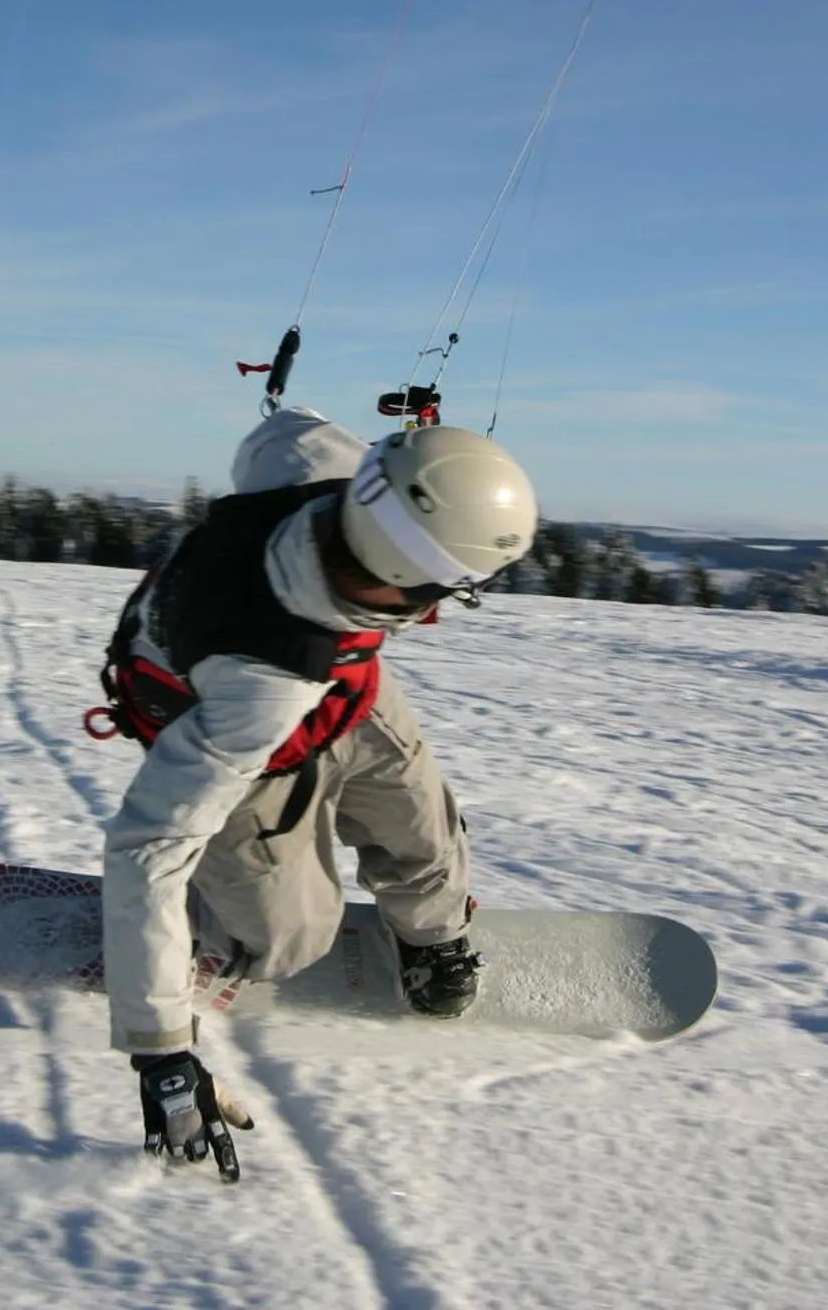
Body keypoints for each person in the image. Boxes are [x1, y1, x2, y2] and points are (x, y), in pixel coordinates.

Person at [91, 407, 539, 1181]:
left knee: (418, 817)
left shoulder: (315, 468)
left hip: (341, 688)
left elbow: (284, 426)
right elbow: (147, 846)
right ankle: (207, 944)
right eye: (452, 588)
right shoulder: (259, 684)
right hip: (245, 742)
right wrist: (161, 1052)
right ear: (409, 578)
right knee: (293, 937)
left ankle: (430, 936)